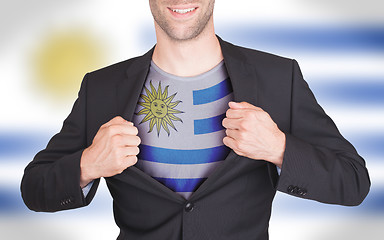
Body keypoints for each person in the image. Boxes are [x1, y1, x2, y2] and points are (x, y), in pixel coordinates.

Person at [21, 0, 370, 239]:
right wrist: (87, 165)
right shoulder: (102, 87)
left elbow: (353, 181)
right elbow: (34, 188)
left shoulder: (279, 78)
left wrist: (280, 148)